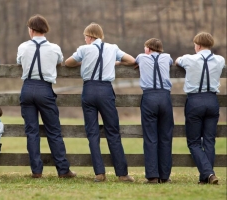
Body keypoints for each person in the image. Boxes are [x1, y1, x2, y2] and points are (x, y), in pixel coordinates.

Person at [65, 23, 135, 182]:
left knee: (92, 133)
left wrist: (82, 62)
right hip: (105, 90)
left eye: (85, 36)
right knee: (113, 132)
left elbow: (68, 62)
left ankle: (99, 173)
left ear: (90, 36)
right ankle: (122, 174)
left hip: (89, 90)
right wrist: (115, 62)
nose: (85, 39)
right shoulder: (112, 48)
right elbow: (131, 60)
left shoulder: (84, 49)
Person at [16, 14, 76, 178]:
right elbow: (59, 62)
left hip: (27, 88)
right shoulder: (54, 48)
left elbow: (19, 62)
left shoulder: (23, 47)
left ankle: (36, 171)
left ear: (31, 29)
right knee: (54, 131)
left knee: (32, 132)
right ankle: (63, 170)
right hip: (45, 89)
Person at [175, 32, 225, 185]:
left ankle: (208, 173)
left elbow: (177, 61)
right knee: (209, 140)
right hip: (212, 100)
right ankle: (205, 178)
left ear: (197, 45)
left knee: (194, 142)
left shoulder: (189, 59)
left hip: (195, 100)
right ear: (211, 45)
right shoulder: (220, 60)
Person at [135, 38, 174, 184]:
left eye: (145, 47)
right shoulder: (167, 57)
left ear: (149, 48)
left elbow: (135, 61)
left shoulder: (141, 57)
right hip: (165, 97)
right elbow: (169, 62)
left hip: (149, 97)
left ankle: (152, 176)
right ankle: (165, 176)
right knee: (165, 137)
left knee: (151, 137)